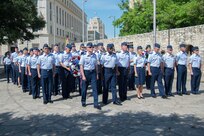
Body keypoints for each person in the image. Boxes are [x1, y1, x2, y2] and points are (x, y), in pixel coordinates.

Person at [79, 42, 101, 110]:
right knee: (84, 89)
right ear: (87, 48)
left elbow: (96, 66)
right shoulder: (83, 56)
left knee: (95, 88)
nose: (92, 48)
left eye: (92, 47)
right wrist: (83, 76)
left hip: (93, 73)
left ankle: (96, 103)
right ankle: (83, 101)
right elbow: (81, 66)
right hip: (86, 72)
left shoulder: (94, 55)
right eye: (90, 47)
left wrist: (97, 74)